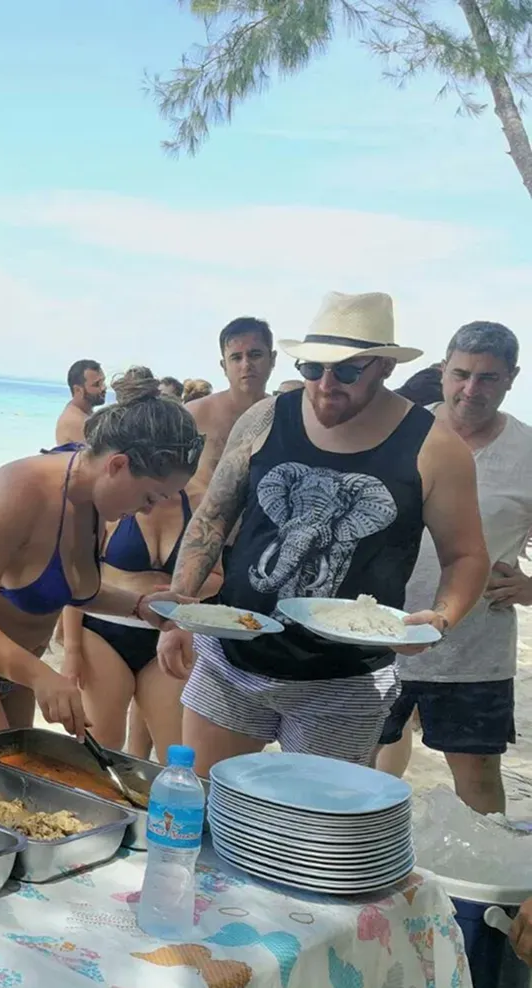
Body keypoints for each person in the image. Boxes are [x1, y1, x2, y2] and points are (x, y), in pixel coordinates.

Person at [158, 291, 490, 774]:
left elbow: (466, 556)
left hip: (344, 682)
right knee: (203, 796)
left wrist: (440, 618)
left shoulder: (434, 447)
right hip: (231, 658)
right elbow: (212, 517)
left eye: (347, 371)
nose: (325, 385)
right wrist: (180, 611)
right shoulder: (266, 417)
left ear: (384, 367)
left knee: (314, 816)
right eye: (313, 368)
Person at [0, 381, 200, 744]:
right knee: (0, 780)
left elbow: (65, 587)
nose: (149, 510)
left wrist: (139, 606)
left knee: (26, 776)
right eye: (150, 497)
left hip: (15, 672)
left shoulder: (95, 497)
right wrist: (40, 675)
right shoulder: (23, 489)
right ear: (117, 464)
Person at [376, 322, 532, 813]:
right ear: (443, 371)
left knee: (478, 783)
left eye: (488, 378)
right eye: (461, 374)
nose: (471, 389)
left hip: (474, 652)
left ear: (512, 378)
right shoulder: (397, 431)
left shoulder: (527, 452)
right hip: (376, 639)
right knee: (354, 766)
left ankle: (484, 868)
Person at [60, 368, 219, 761]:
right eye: (152, 494)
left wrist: (176, 591)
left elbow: (217, 577)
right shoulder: (110, 497)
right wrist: (71, 649)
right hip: (103, 631)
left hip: (169, 632)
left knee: (175, 752)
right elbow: (76, 581)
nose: (153, 504)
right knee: (102, 747)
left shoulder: (199, 500)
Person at [184, 317, 276, 499]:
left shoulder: (285, 415)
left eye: (255, 355)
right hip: (199, 514)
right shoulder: (194, 415)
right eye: (236, 357)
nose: (246, 365)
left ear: (272, 359)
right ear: (224, 366)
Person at [54, 359, 106, 445]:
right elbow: (102, 451)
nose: (103, 387)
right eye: (96, 384)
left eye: (103, 382)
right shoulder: (75, 421)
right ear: (78, 390)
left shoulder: (82, 411)